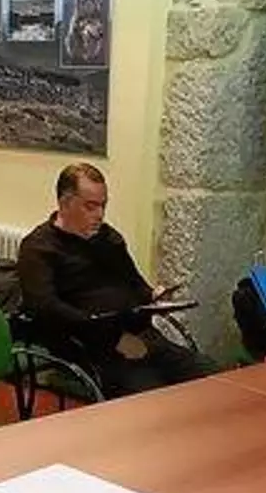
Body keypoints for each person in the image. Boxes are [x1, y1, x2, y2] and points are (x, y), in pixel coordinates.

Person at [17, 163, 215, 398]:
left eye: (103, 205)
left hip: (139, 335)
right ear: (65, 203)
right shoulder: (39, 248)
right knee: (155, 397)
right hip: (91, 347)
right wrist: (113, 339)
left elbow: (134, 284)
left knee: (212, 377)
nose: (99, 215)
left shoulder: (108, 238)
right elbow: (46, 310)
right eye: (90, 206)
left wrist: (152, 296)